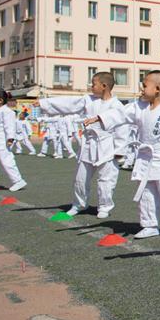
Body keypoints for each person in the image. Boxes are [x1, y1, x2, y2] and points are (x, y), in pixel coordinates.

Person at [84, 72, 160, 239]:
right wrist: (99, 117)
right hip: (145, 156)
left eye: (144, 86)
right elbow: (120, 114)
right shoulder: (139, 107)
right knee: (145, 192)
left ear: (156, 89)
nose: (141, 89)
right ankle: (149, 225)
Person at [33, 72, 127, 218]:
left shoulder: (117, 105)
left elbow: (122, 128)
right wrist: (45, 103)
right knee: (80, 178)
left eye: (93, 83)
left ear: (104, 86)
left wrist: (120, 150)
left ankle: (104, 207)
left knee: (106, 180)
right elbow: (69, 103)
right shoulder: (88, 100)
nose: (91, 86)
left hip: (107, 146)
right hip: (88, 144)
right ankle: (79, 204)